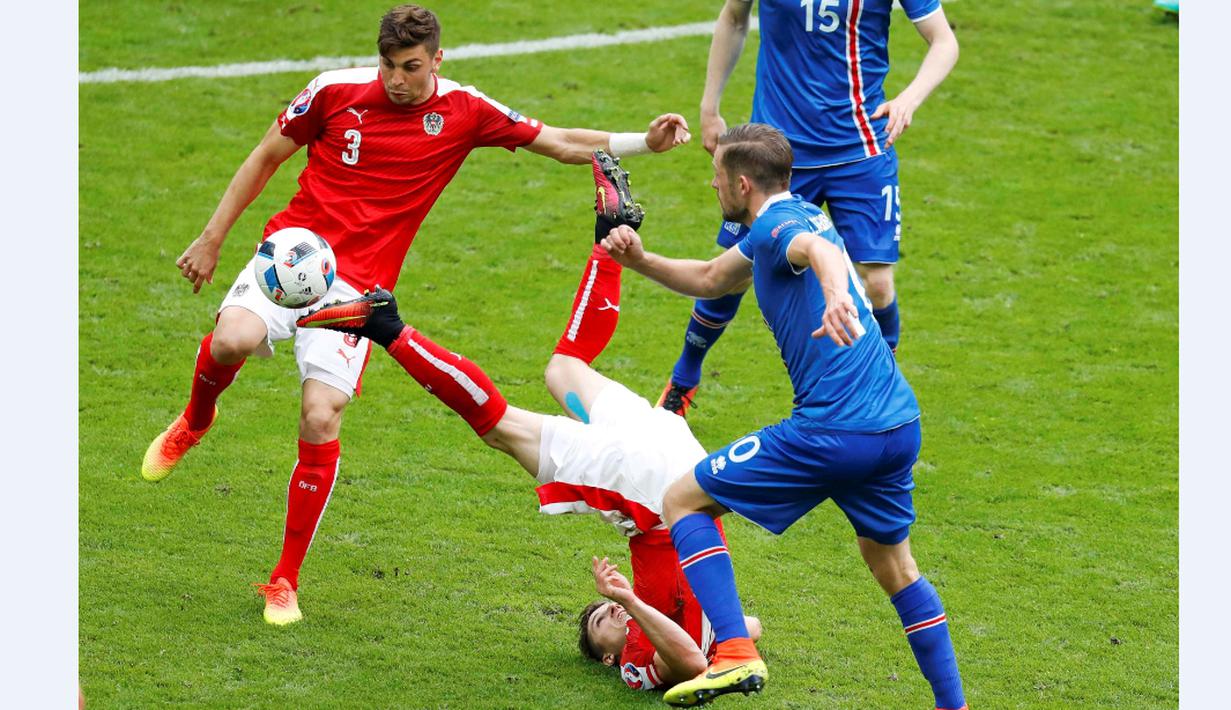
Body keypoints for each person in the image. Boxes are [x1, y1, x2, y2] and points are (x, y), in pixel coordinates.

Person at [139, 3, 691, 626]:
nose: (396, 79)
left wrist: (642, 143)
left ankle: (284, 579)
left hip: (358, 286)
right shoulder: (334, 91)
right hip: (296, 252)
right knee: (230, 340)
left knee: (321, 415)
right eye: (388, 65)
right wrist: (212, 238)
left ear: (436, 60)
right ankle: (195, 419)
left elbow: (559, 142)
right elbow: (266, 155)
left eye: (409, 67)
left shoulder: (462, 110)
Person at [296, 152, 759, 691]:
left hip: (674, 455)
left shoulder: (657, 644)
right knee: (501, 428)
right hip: (652, 490)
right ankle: (387, 326)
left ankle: (610, 237)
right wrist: (633, 601)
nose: (605, 619)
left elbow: (744, 626)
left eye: (596, 623)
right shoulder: (643, 663)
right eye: (599, 626)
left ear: (606, 660)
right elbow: (693, 665)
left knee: (564, 369)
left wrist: (658, 608)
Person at [601, 124, 965, 708]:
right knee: (895, 568)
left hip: (833, 430)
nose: (712, 184)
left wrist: (838, 292)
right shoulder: (786, 219)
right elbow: (712, 278)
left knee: (682, 501)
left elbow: (814, 251)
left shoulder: (778, 225)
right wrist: (639, 259)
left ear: (742, 183)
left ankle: (736, 654)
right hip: (897, 426)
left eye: (717, 177)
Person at [656, 0, 959, 416]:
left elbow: (944, 41)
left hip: (861, 149)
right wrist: (710, 105)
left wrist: (908, 99)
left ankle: (879, 391)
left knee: (879, 284)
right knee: (733, 273)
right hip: (778, 151)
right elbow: (733, 16)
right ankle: (683, 380)